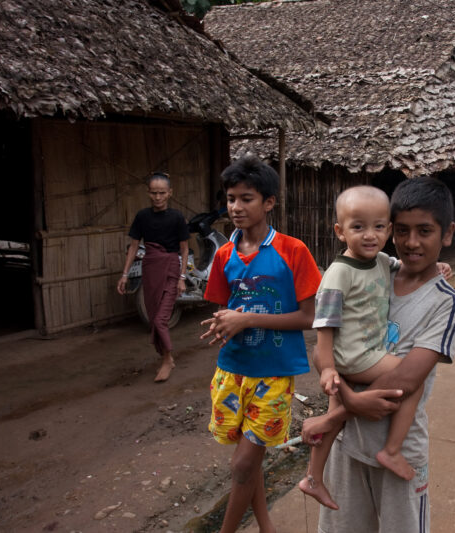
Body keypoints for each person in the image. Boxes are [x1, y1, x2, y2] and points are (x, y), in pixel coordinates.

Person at [304, 177, 455, 533]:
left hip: (400, 448)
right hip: (347, 444)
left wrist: (338, 412)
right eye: (403, 231)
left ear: (448, 233)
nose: (412, 242)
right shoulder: (369, 274)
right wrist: (338, 394)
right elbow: (322, 349)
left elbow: (407, 378)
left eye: (425, 231)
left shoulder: (446, 303)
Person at [199, 155, 321, 533]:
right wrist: (224, 323)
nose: (236, 207)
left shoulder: (293, 251)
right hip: (232, 369)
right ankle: (266, 525)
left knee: (241, 465)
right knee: (248, 462)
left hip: (274, 373)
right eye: (231, 198)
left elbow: (308, 317)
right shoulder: (224, 255)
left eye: (246, 198)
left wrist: (247, 319)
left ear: (269, 202)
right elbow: (226, 309)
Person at [298, 186, 423, 510]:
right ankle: (392, 450)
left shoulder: (381, 261)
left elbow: (403, 267)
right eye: (358, 227)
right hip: (356, 356)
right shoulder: (339, 274)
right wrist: (328, 368)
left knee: (333, 420)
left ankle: (313, 478)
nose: (370, 235)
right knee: (413, 378)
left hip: (357, 354)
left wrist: (441, 268)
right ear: (340, 231)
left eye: (378, 227)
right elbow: (324, 326)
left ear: (388, 230)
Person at [117, 172, 189, 382]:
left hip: (170, 269)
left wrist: (182, 277)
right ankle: (166, 357)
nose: (158, 197)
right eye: (154, 193)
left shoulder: (177, 218)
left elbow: (184, 249)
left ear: (170, 193)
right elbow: (133, 247)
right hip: (150, 269)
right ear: (148, 193)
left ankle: (167, 359)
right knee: (153, 318)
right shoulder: (142, 217)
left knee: (160, 320)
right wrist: (124, 275)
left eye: (162, 193)